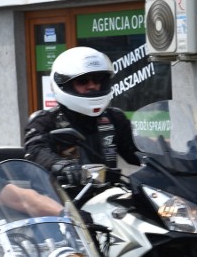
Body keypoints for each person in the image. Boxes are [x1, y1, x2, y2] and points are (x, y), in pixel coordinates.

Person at [24, 46, 140, 185]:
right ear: (64, 85)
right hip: (64, 198)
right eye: (82, 80)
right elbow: (36, 151)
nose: (92, 86)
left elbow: (135, 151)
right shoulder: (45, 121)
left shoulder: (114, 118)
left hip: (107, 195)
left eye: (97, 79)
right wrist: (61, 166)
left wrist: (165, 158)